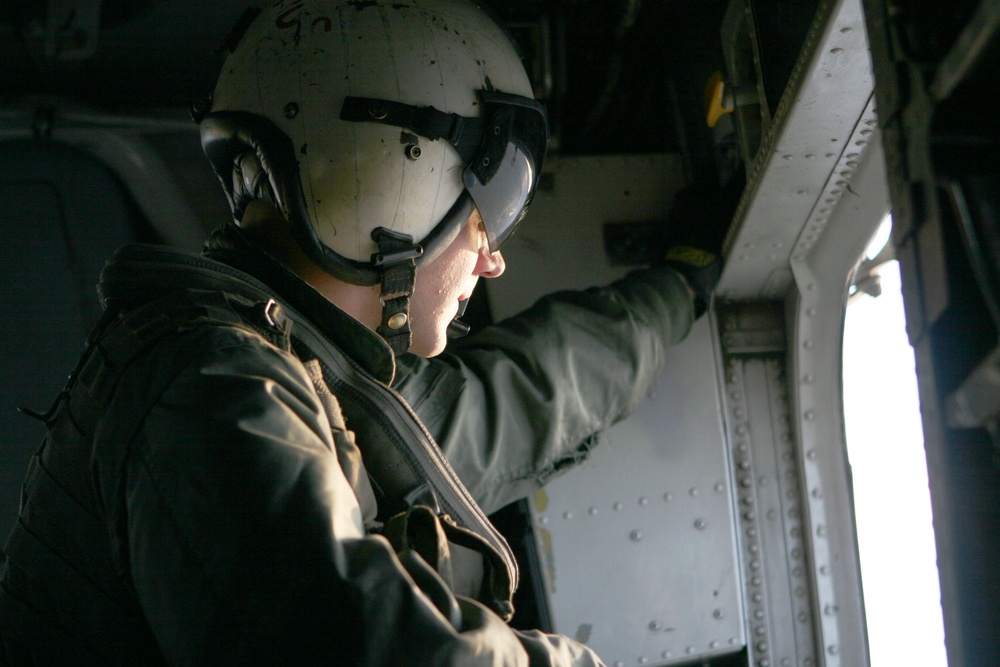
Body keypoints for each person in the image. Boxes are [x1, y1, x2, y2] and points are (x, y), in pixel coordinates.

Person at [0, 1, 723, 664]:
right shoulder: (210, 394)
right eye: (487, 210)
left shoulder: (283, 368)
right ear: (397, 180)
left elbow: (512, 401)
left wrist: (676, 285)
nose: (493, 256)